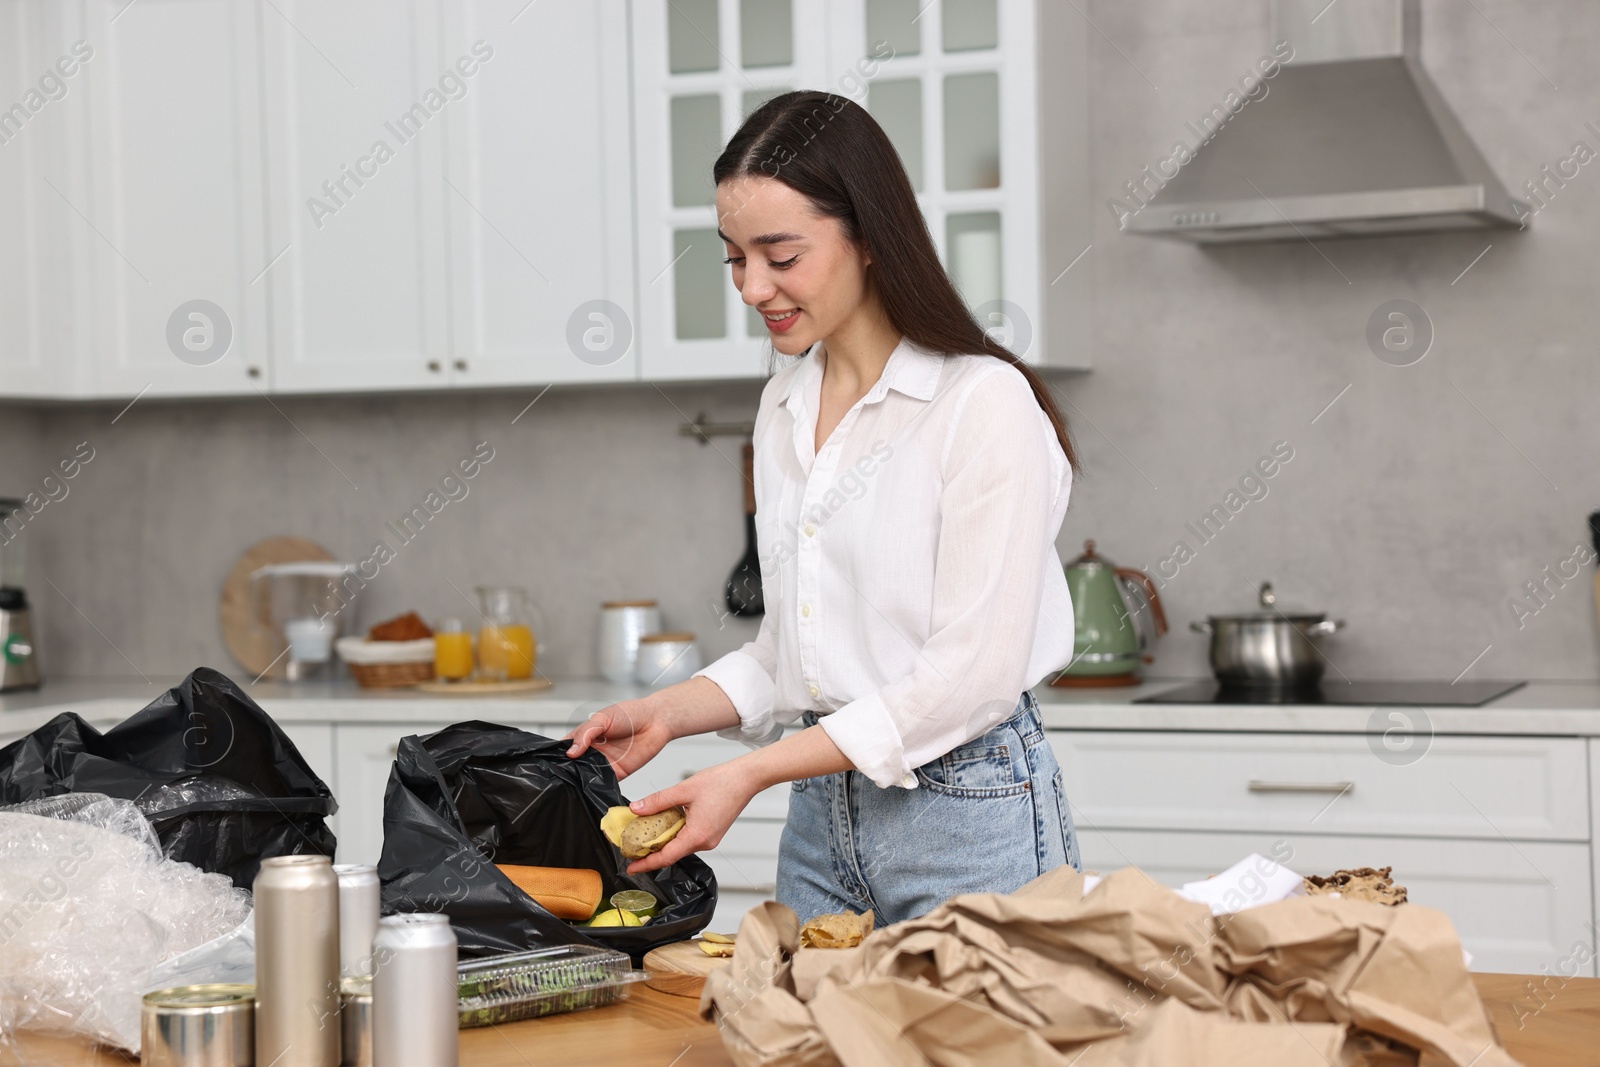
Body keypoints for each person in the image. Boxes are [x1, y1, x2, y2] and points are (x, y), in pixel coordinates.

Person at [566, 90, 1082, 925]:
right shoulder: (785, 405)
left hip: (969, 811)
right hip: (821, 813)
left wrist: (750, 771)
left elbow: (967, 680)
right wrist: (666, 712)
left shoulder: (981, 404)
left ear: (870, 237)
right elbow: (794, 656)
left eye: (780, 254)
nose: (752, 286)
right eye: (734, 257)